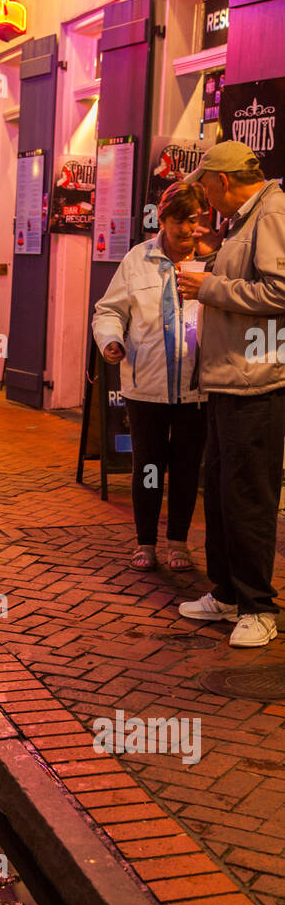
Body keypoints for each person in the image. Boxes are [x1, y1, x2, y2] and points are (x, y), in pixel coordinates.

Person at [176, 141, 285, 648]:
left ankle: (258, 607)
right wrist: (210, 263)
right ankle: (225, 594)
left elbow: (281, 293)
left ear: (222, 181)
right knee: (219, 491)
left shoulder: (273, 211)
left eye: (204, 187)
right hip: (226, 375)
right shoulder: (245, 218)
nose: (203, 199)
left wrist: (208, 288)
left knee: (247, 496)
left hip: (256, 379)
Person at [92, 180, 208, 572]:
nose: (188, 230)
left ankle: (178, 542)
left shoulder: (212, 264)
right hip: (146, 386)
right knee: (149, 467)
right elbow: (108, 311)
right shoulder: (137, 259)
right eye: (180, 222)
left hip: (198, 389)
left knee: (187, 467)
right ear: (163, 219)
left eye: (194, 221)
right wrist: (110, 341)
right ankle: (145, 542)